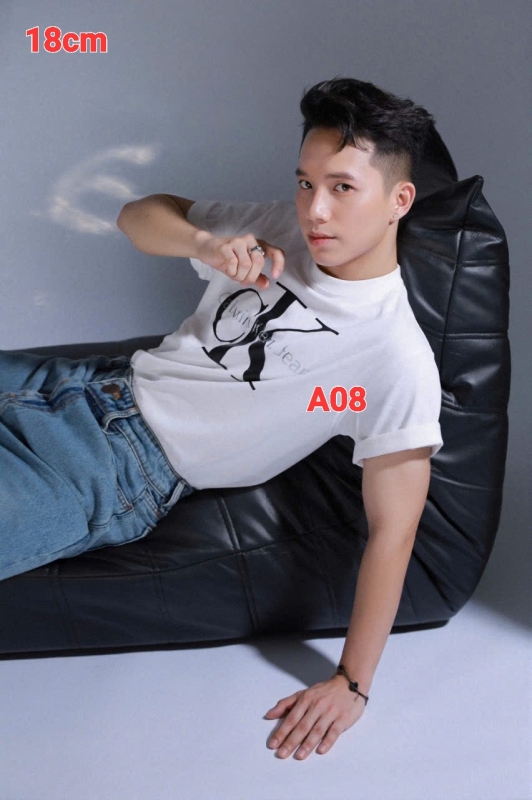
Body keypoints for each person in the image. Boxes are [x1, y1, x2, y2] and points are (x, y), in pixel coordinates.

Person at [1, 76, 443, 759]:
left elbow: (395, 529)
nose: (315, 209)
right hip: (80, 381)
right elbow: (137, 215)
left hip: (116, 468)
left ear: (399, 200)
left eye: (342, 187)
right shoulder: (278, 227)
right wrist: (204, 244)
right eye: (305, 183)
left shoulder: (394, 356)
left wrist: (353, 683)